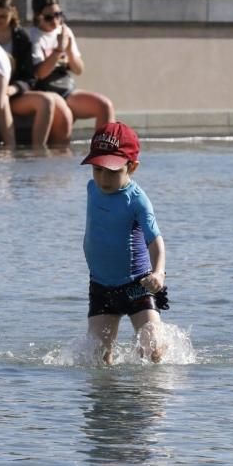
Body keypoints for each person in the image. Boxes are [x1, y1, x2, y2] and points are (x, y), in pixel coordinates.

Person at [81, 121, 168, 365]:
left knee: (152, 350)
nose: (103, 178)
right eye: (97, 169)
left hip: (137, 284)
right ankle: (110, 402)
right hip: (101, 285)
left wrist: (158, 273)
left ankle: (151, 394)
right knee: (97, 358)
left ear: (132, 167)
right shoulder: (92, 188)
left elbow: (156, 241)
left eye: (112, 171)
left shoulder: (138, 201)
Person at [0, 0, 72, 147]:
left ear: (12, 13)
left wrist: (12, 89)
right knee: (0, 97)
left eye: (2, 16)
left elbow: (29, 77)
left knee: (47, 100)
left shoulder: (21, 38)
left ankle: (38, 151)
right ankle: (10, 148)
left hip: (14, 91)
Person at [30, 0, 115, 130]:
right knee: (65, 117)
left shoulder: (65, 32)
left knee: (105, 105)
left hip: (67, 90)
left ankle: (105, 150)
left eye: (58, 15)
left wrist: (68, 50)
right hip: (47, 91)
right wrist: (58, 50)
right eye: (48, 17)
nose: (55, 21)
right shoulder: (34, 37)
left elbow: (79, 69)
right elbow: (40, 74)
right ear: (37, 16)